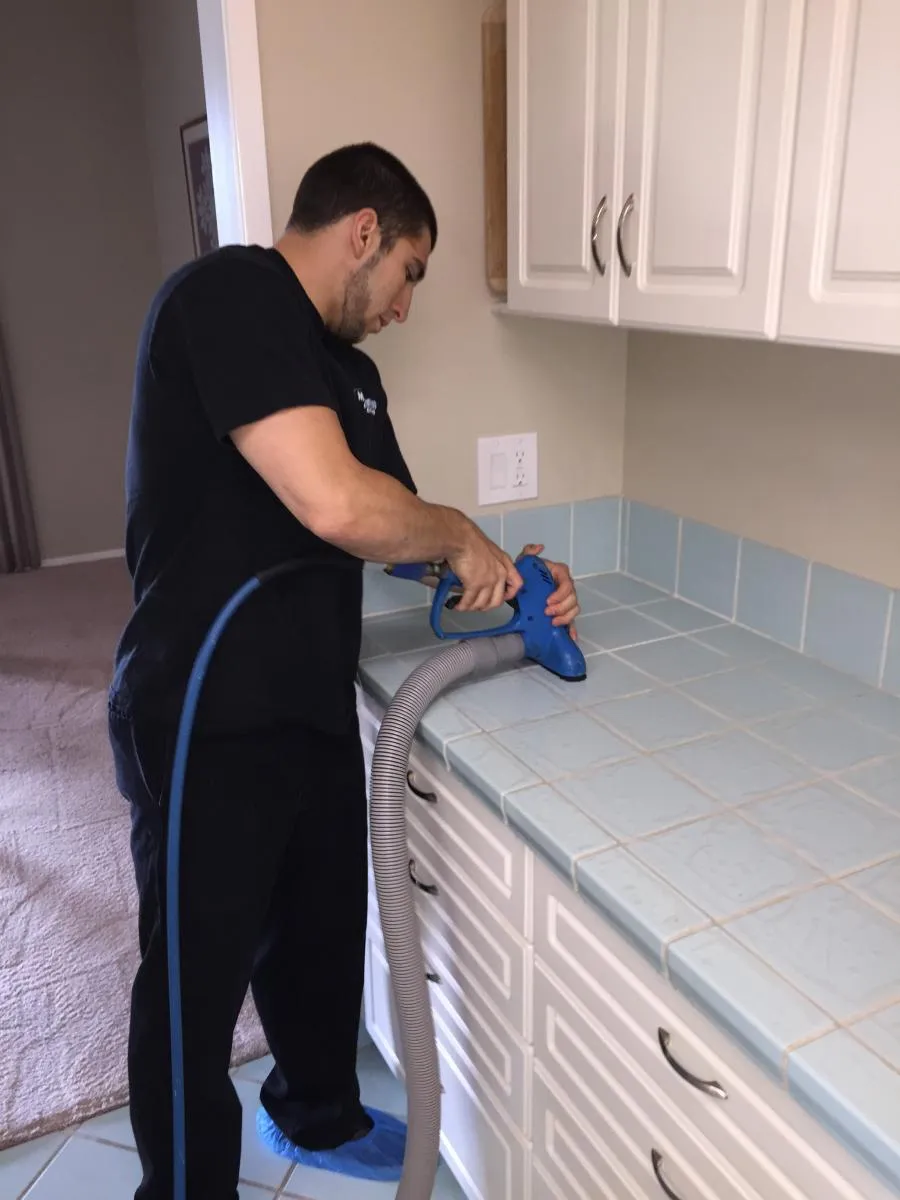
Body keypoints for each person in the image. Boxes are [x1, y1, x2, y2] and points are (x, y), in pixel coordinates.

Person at [108, 142, 580, 1200]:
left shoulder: (348, 378)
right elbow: (334, 503)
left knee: (318, 933)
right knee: (191, 987)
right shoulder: (226, 297)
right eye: (411, 271)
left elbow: (401, 535)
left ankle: (313, 1113)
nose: (406, 307)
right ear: (363, 233)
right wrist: (457, 533)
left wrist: (516, 575)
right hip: (202, 711)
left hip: (306, 702)